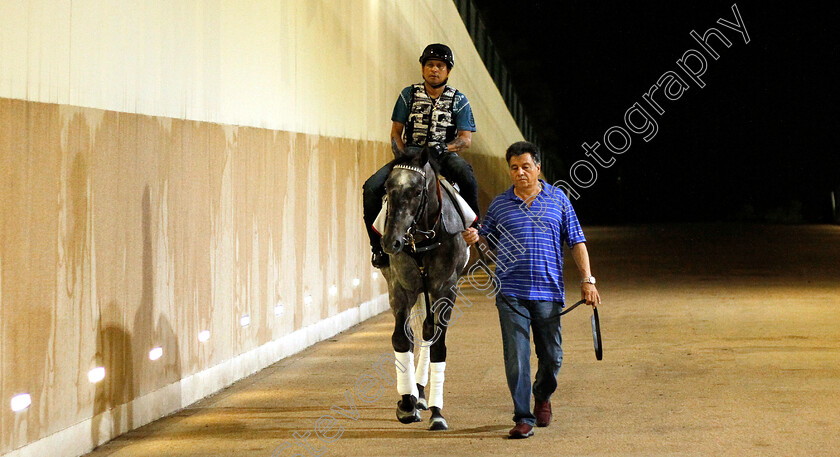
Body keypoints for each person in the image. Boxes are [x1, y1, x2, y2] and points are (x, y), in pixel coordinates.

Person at [462, 141, 601, 439]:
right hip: (511, 293)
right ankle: (523, 416)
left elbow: (577, 242)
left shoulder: (558, 199)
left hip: (549, 293)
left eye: (526, 166)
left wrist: (588, 280)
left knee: (552, 356)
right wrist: (475, 238)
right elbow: (487, 246)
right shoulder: (500, 204)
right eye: (514, 168)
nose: (520, 173)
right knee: (517, 357)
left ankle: (542, 395)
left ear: (538, 168)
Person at [363, 43, 479, 268]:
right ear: (423, 67)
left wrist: (444, 148)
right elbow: (396, 132)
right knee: (371, 187)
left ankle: (476, 229)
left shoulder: (459, 99)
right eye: (430, 65)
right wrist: (401, 154)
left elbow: (466, 139)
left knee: (466, 175)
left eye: (440, 66)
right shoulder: (408, 95)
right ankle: (378, 247)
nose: (434, 69)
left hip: (443, 154)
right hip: (412, 155)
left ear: (448, 70)